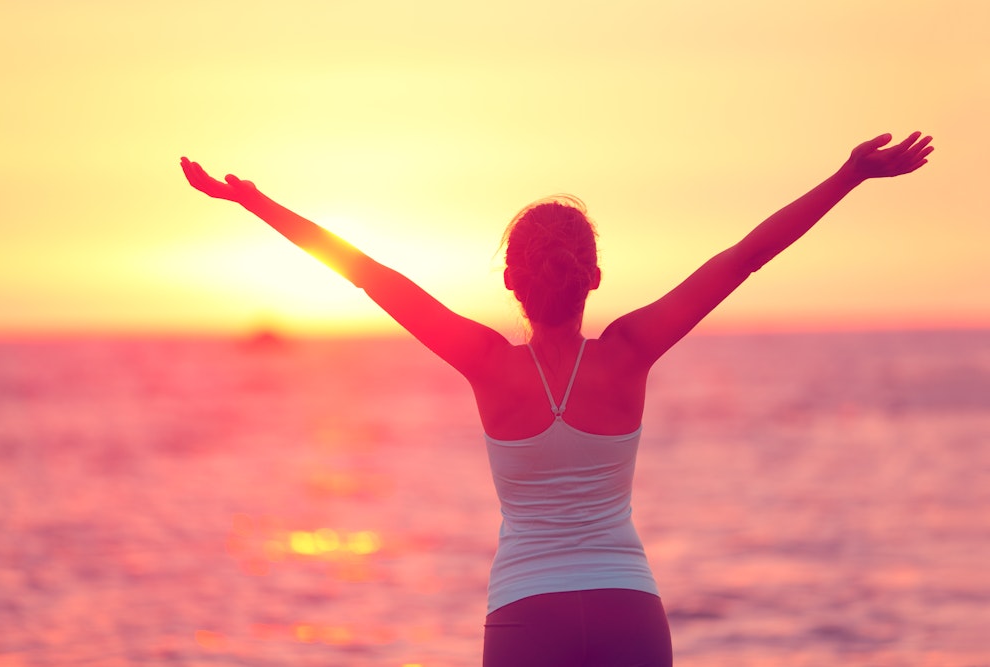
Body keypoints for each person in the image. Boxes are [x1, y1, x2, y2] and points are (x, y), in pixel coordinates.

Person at [181, 131, 933, 666]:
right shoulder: (633, 351)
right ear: (594, 277)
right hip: (628, 610)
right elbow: (746, 257)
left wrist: (252, 202)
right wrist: (848, 176)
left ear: (511, 280)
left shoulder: (483, 363)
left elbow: (366, 274)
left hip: (525, 617)